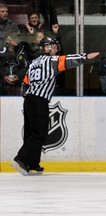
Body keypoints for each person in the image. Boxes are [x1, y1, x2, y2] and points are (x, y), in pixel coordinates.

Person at [11, 37, 100, 176]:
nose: (55, 49)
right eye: (52, 46)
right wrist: (85, 57)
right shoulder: (50, 61)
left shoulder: (34, 63)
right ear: (45, 48)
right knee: (39, 133)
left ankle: (32, 163)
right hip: (39, 100)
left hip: (29, 100)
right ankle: (21, 159)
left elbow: (25, 83)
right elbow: (68, 60)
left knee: (30, 132)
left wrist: (28, 97)